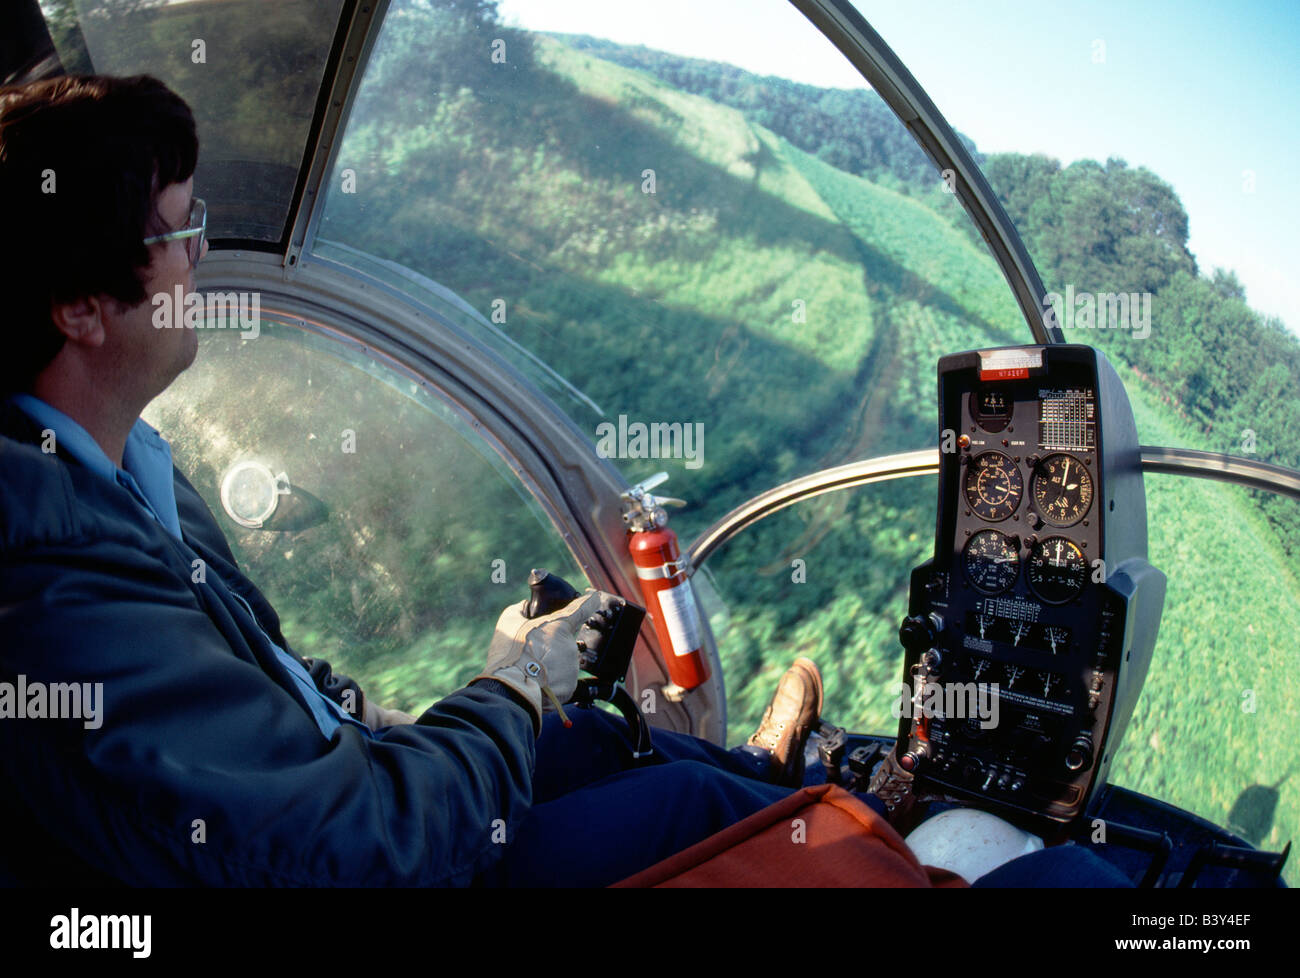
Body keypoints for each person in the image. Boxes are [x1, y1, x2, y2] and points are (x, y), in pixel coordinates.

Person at [0, 73, 828, 888]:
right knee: (682, 806)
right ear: (80, 307)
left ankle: (770, 773)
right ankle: (860, 833)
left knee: (587, 738)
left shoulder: (134, 475)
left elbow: (276, 679)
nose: (201, 252)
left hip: (359, 802)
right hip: (372, 863)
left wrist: (477, 714)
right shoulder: (55, 592)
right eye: (177, 234)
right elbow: (360, 842)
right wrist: (513, 684)